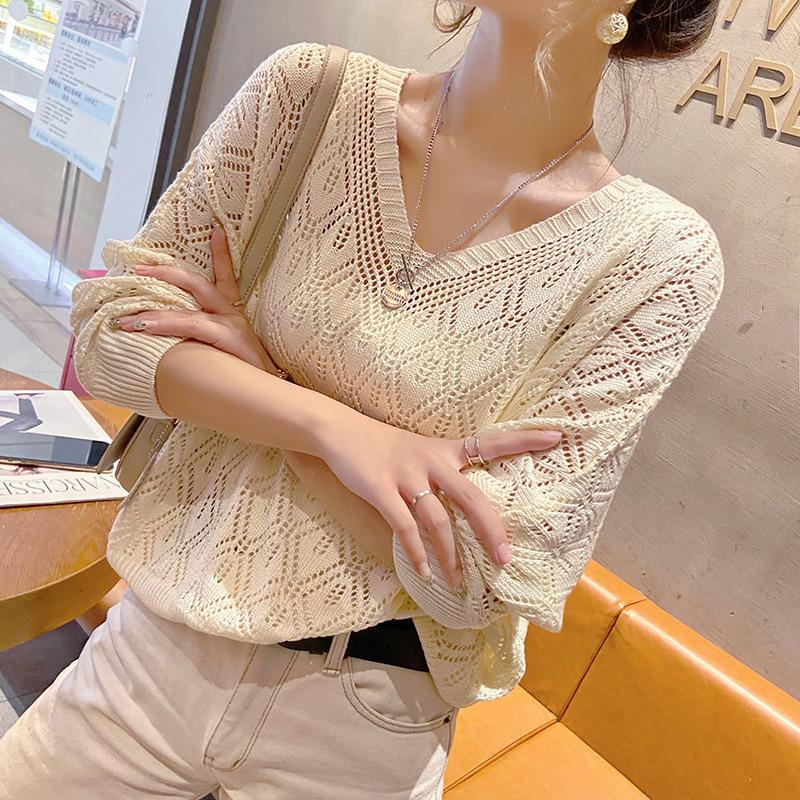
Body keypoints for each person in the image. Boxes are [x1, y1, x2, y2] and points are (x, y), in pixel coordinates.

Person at [0, 2, 725, 798]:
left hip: (369, 717)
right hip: (158, 647)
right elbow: (113, 337)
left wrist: (261, 381)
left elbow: (477, 577)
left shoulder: (656, 258)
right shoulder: (309, 97)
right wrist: (330, 427)